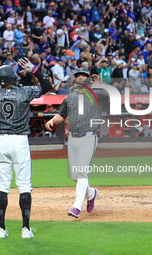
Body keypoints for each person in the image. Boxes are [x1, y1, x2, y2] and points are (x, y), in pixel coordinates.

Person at [0, 59, 52, 239]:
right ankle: (26, 229)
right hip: (20, 140)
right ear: (14, 79)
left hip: (1, 141)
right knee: (24, 185)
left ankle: (1, 229)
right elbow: (47, 85)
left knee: (2, 186)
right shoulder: (24, 91)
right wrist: (34, 71)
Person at [45, 67, 106, 219]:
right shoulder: (70, 98)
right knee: (75, 176)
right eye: (78, 76)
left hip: (89, 137)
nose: (80, 78)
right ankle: (91, 193)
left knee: (81, 172)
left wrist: (100, 84)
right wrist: (53, 120)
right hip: (72, 138)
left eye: (83, 76)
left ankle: (77, 206)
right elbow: (61, 114)